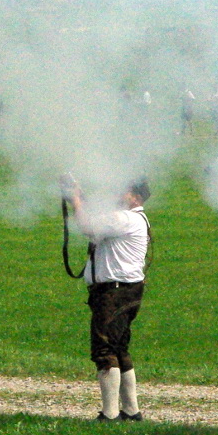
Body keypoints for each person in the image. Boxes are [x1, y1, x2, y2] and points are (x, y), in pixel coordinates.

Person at [68, 177, 152, 422]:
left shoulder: (125, 218)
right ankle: (130, 410)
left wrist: (75, 199)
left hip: (114, 292)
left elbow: (88, 226)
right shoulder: (129, 218)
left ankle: (110, 414)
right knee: (119, 348)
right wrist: (80, 194)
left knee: (104, 349)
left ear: (135, 197)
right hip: (124, 290)